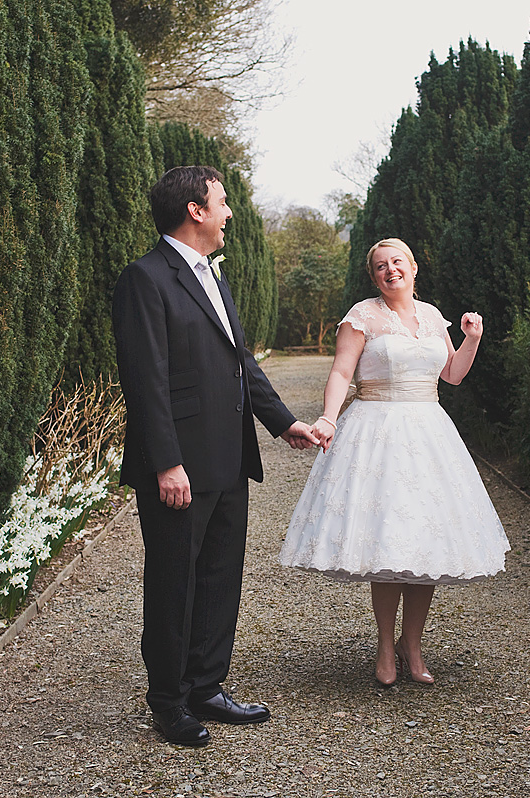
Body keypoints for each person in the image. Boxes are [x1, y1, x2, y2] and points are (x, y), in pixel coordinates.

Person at [112, 165, 319, 746]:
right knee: (175, 584)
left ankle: (207, 687)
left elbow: (240, 363)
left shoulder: (214, 278)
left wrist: (284, 424)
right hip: (178, 467)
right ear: (195, 211)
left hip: (229, 458)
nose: (230, 213)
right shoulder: (145, 279)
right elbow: (145, 380)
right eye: (222, 203)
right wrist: (165, 461)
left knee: (221, 579)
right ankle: (169, 703)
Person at [278, 237, 510, 686]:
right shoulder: (362, 317)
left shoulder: (432, 316)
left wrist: (472, 340)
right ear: (374, 276)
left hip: (429, 434)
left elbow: (452, 375)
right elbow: (342, 373)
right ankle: (385, 645)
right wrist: (328, 418)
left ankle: (413, 644)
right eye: (381, 266)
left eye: (397, 262)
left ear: (414, 267)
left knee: (424, 544)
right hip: (376, 432)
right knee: (386, 544)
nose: (391, 270)